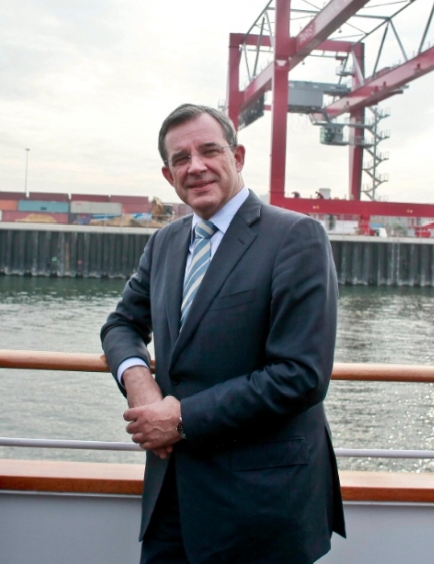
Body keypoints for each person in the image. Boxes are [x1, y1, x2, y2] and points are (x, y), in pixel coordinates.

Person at [101, 103, 345, 564]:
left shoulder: (296, 237)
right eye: (180, 158)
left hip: (260, 503)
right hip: (172, 493)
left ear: (238, 156)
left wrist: (180, 419)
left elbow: (301, 375)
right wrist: (140, 382)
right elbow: (121, 324)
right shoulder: (165, 243)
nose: (196, 166)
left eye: (209, 150)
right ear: (167, 173)